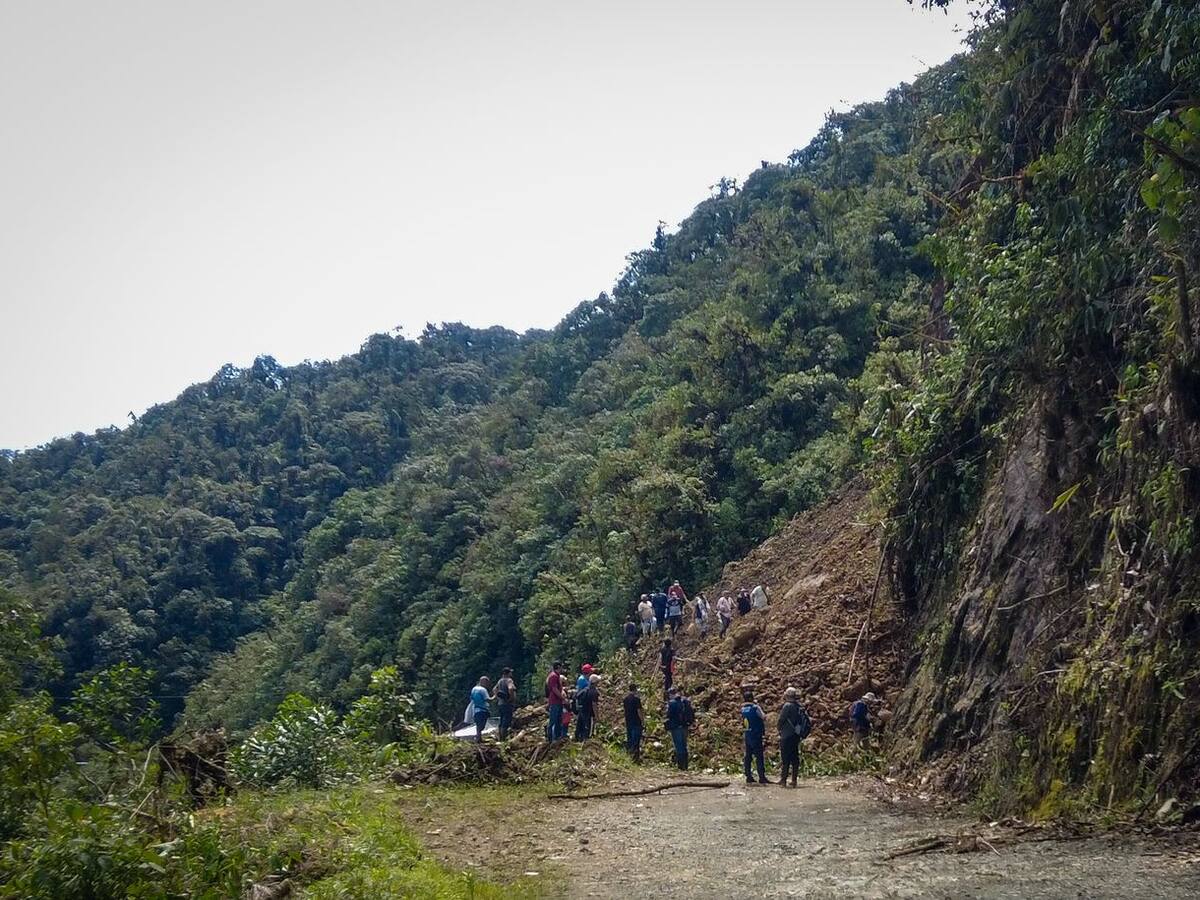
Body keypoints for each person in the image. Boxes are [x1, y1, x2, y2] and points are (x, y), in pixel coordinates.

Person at [777, 687, 810, 787]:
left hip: (786, 735)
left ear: (787, 695)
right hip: (796, 735)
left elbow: (781, 719)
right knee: (794, 757)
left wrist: (778, 728)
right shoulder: (799, 706)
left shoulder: (787, 706)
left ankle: (783, 780)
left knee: (785, 758)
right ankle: (794, 780)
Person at [741, 688, 767, 783]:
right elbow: (763, 717)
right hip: (756, 734)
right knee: (759, 756)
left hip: (747, 735)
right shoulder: (756, 708)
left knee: (748, 756)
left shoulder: (743, 709)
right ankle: (762, 777)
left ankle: (748, 775)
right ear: (752, 698)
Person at [665, 687, 693, 770]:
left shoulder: (671, 703)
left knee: (678, 746)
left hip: (676, 727)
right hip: (685, 727)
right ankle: (686, 765)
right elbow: (691, 713)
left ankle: (681, 767)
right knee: (684, 745)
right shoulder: (686, 701)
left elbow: (668, 715)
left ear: (670, 694)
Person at [623, 682, 644, 762]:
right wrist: (642, 721)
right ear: (635, 689)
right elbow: (639, 711)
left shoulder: (625, 699)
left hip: (628, 721)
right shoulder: (637, 699)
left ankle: (629, 756)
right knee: (636, 740)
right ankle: (635, 757)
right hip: (636, 721)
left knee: (630, 738)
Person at [546, 661, 566, 741]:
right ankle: (551, 738)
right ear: (558, 667)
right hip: (555, 701)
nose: (562, 669)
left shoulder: (556, 675)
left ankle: (557, 737)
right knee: (553, 720)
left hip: (558, 701)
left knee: (558, 720)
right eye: (561, 667)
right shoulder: (553, 676)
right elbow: (554, 689)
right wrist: (562, 697)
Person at [575, 674, 599, 741]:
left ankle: (578, 738)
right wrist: (596, 716)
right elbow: (594, 705)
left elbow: (577, 696)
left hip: (582, 710)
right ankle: (586, 741)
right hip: (588, 712)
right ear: (595, 682)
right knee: (588, 727)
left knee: (580, 724)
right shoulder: (594, 692)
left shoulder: (584, 690)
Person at [494, 667, 516, 741]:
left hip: (500, 704)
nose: (511, 674)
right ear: (508, 673)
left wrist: (498, 697)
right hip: (507, 704)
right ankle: (503, 739)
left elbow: (494, 689)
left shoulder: (500, 681)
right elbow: (510, 688)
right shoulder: (509, 680)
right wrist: (511, 698)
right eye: (510, 672)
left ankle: (500, 738)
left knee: (501, 720)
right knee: (506, 721)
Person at [470, 676, 493, 743]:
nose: (487, 685)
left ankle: (478, 738)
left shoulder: (474, 689)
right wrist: (495, 696)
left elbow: (471, 698)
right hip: (483, 710)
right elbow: (488, 699)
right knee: (482, 725)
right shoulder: (483, 690)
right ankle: (478, 738)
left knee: (478, 725)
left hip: (475, 709)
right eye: (487, 683)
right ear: (484, 682)